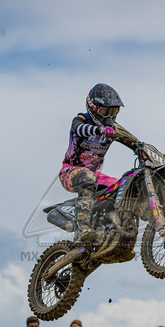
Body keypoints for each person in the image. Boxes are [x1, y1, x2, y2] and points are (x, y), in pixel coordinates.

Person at [59, 83, 139, 243]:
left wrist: (145, 150)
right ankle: (82, 228)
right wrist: (99, 130)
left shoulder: (113, 128)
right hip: (70, 172)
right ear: (93, 108)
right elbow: (78, 128)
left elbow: (134, 142)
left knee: (125, 187)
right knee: (88, 178)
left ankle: (119, 233)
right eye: (105, 111)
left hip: (96, 175)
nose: (109, 116)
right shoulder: (81, 120)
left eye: (113, 111)